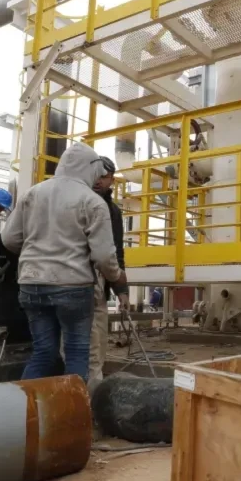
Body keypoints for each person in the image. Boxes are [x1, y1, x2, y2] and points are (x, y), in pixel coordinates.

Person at [1, 143, 125, 383]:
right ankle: (72, 416)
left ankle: (26, 412)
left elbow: (9, 239)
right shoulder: (92, 201)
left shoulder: (32, 193)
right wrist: (116, 276)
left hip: (31, 284)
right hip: (73, 286)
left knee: (43, 354)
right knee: (77, 353)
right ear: (89, 169)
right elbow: (103, 257)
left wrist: (34, 254)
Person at [87, 156, 128, 392]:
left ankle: (91, 398)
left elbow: (115, 252)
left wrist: (121, 290)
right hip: (75, 283)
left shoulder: (112, 212)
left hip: (94, 284)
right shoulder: (79, 201)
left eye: (104, 176)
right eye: (96, 174)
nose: (99, 180)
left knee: (96, 344)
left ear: (112, 180)